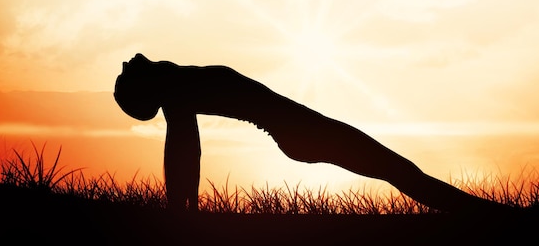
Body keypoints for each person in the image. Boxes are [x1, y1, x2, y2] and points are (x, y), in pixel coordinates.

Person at [114, 53, 507, 213]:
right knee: (399, 170)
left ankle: (485, 214)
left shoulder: (173, 77)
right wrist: (181, 212)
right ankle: (489, 217)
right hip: (301, 133)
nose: (132, 62)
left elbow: (183, 148)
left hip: (301, 130)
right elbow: (185, 150)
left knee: (399, 170)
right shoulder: (174, 89)